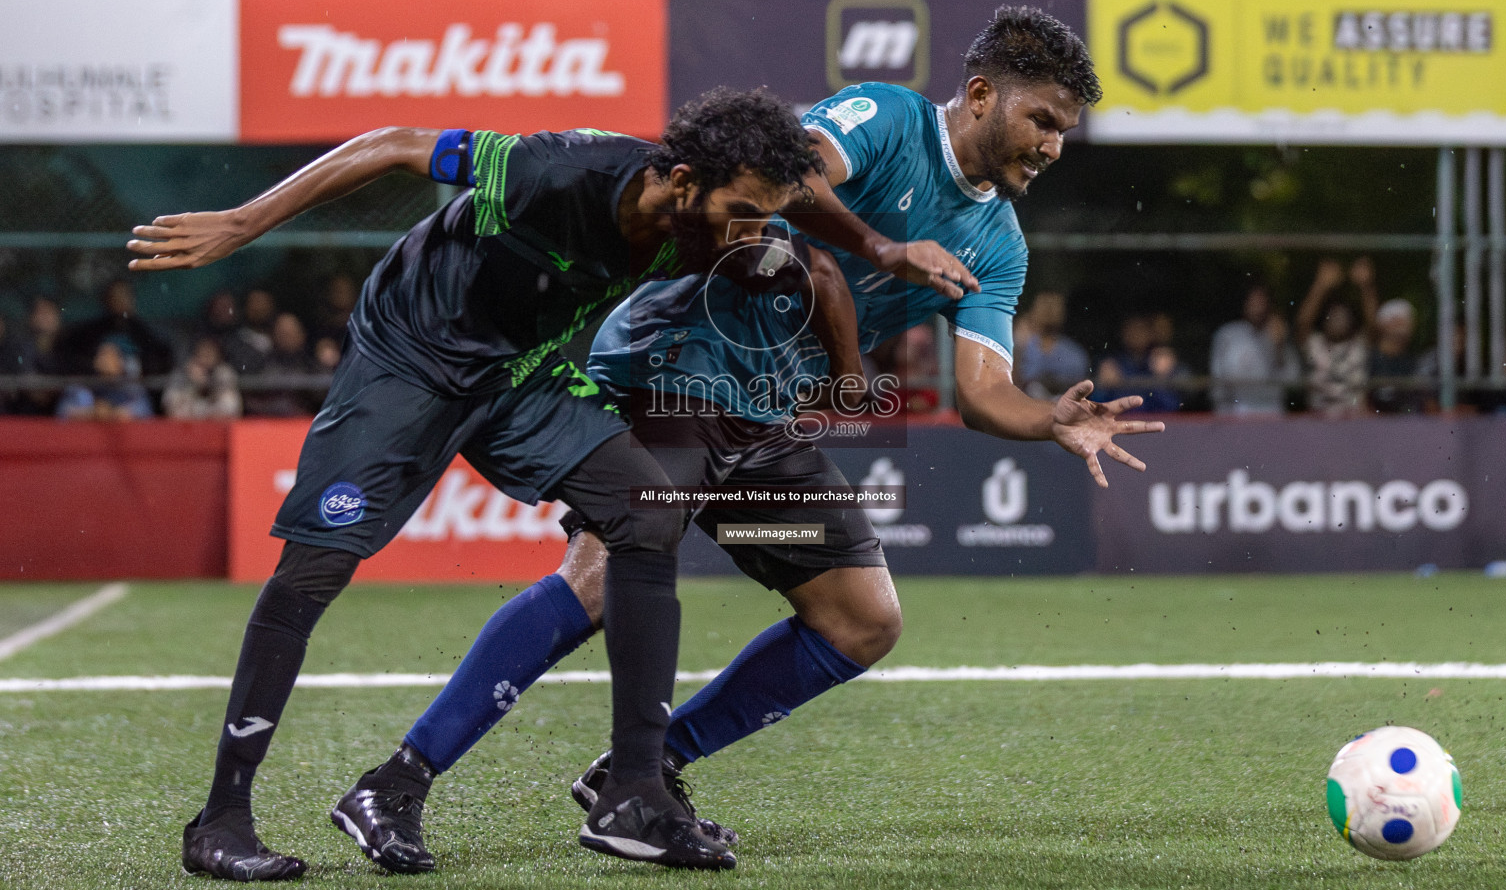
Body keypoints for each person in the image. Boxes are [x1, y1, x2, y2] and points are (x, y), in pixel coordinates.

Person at [337, 6, 1164, 875]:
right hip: (675, 362)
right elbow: (790, 171)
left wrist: (1051, 419)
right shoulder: (886, 118)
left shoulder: (999, 246)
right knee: (600, 578)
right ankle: (395, 783)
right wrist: (881, 251)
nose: (1053, 145)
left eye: (1066, 131)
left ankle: (646, 767)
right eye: (1043, 120)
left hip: (759, 418)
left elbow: (982, 392)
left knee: (861, 619)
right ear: (983, 94)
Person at [126, 87, 976, 879]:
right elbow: (389, 146)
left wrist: (868, 274)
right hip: (409, 363)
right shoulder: (557, 169)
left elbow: (813, 245)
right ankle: (221, 821)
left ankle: (637, 792)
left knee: (647, 516)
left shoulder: (721, 223)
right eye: (745, 215)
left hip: (519, 375)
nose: (757, 235)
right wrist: (244, 222)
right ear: (681, 183)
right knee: (313, 571)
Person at [1296, 258, 1377, 417]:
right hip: (1319, 419)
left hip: (1354, 420)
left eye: (1343, 317)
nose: (1338, 320)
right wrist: (1320, 286)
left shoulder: (1360, 345)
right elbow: (1302, 323)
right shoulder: (1314, 343)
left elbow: (1373, 324)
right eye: (1333, 317)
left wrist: (1366, 287)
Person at [55, 278, 173, 379]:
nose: (120, 301)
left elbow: (161, 362)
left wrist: (127, 366)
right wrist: (96, 365)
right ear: (107, 300)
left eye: (124, 295)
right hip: (95, 388)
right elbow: (70, 358)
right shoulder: (90, 331)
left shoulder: (145, 333)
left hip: (133, 392)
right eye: (115, 296)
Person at [1208, 285, 1299, 415]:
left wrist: (1279, 347)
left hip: (1272, 411)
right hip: (1236, 411)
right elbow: (1218, 380)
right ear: (1245, 304)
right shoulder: (1227, 334)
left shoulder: (1278, 334)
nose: (1258, 308)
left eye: (1262, 302)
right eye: (1254, 302)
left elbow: (1292, 380)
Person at [1013, 290, 1089, 399]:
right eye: (1044, 304)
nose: (1049, 311)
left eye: (1054, 305)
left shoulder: (1075, 354)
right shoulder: (1019, 344)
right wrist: (1018, 347)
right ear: (1032, 310)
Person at [242, 313, 322, 417]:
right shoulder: (259, 364)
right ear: (273, 335)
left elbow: (322, 397)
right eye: (282, 333)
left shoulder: (312, 365)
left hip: (304, 422)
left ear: (301, 335)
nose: (286, 337)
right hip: (267, 422)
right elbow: (249, 397)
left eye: (290, 333)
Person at [56, 338, 153, 421]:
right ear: (95, 360)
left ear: (121, 361)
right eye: (103, 355)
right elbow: (62, 412)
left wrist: (115, 413)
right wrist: (92, 413)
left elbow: (145, 411)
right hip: (83, 438)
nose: (106, 360)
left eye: (112, 356)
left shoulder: (132, 387)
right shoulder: (81, 386)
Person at [1368, 298, 1429, 414]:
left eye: (1407, 322)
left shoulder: (1414, 362)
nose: (1403, 327)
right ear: (1383, 324)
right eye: (1397, 321)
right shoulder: (1368, 359)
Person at [164, 335, 242, 420]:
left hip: (216, 421)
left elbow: (231, 406)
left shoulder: (224, 372)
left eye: (210, 352)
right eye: (203, 352)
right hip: (188, 424)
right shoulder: (182, 373)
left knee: (228, 401)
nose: (207, 356)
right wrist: (193, 385)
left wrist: (206, 384)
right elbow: (169, 403)